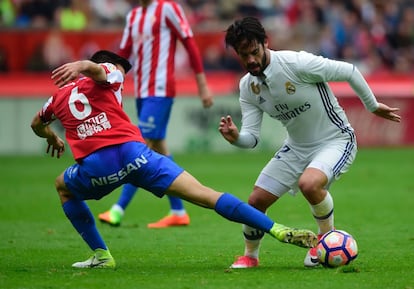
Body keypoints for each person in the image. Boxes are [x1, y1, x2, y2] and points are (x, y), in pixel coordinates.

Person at [30, 50, 317, 269]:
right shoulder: (109, 72)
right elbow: (96, 69)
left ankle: (102, 255)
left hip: (98, 168)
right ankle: (277, 229)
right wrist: (83, 65)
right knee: (207, 195)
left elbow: (36, 124)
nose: (122, 77)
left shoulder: (56, 98)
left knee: (63, 186)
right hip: (137, 155)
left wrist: (51, 137)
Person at [219, 17, 401, 269]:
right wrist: (236, 138)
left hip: (335, 140)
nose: (250, 60)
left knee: (309, 183)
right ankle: (250, 256)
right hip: (296, 147)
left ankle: (325, 240)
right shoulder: (248, 87)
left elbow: (349, 71)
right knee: (255, 201)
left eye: (254, 52)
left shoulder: (296, 63)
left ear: (265, 43)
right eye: (243, 55)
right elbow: (252, 138)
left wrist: (372, 105)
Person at [98, 0, 213, 228]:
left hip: (160, 90)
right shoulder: (133, 16)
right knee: (158, 147)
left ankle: (118, 209)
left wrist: (202, 85)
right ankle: (178, 211)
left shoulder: (167, 8)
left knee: (139, 149)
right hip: (141, 90)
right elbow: (123, 54)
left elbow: (189, 43)